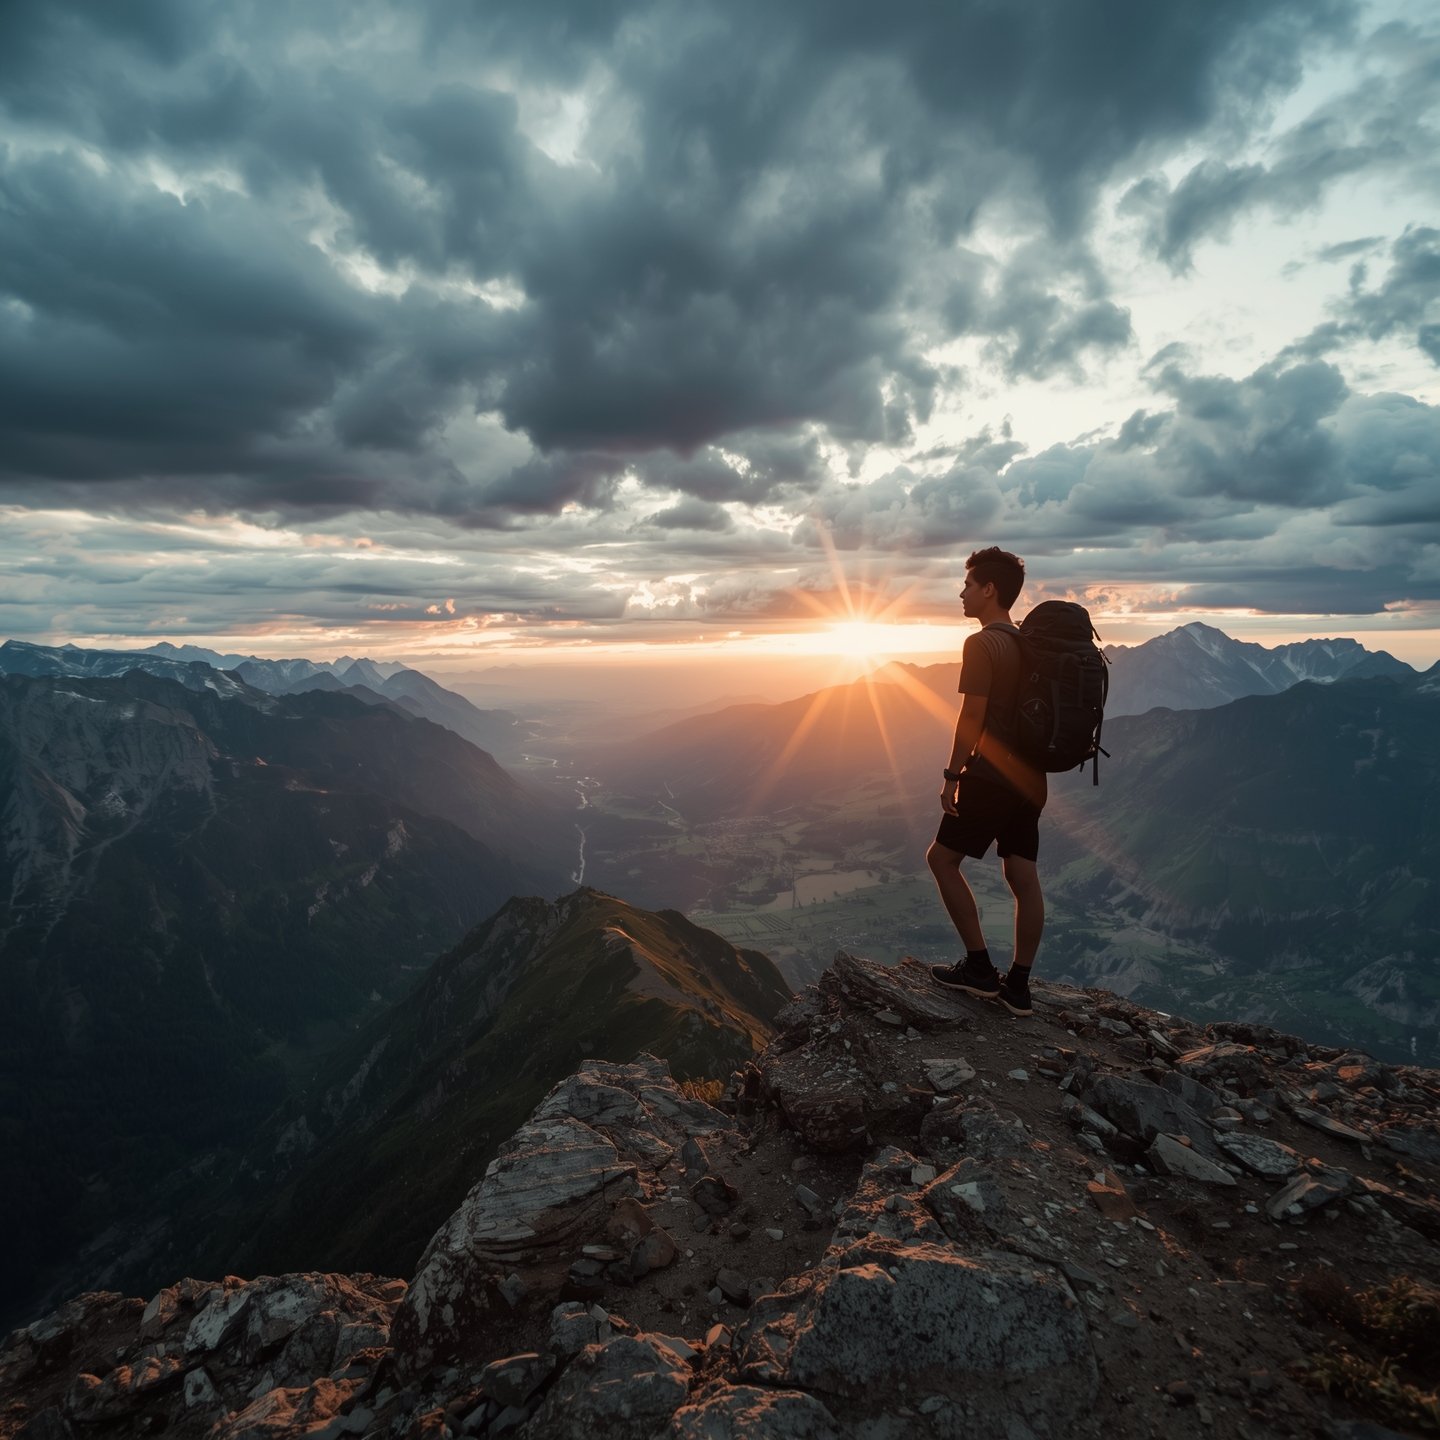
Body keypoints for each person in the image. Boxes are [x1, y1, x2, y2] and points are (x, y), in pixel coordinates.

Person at [927, 546, 1045, 1017]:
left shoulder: (981, 644)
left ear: (989, 590)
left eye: (969, 585)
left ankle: (978, 969)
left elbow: (971, 714)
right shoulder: (1028, 643)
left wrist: (954, 775)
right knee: (1022, 875)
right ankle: (1018, 986)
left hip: (992, 775)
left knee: (940, 860)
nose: (962, 593)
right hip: (1032, 779)